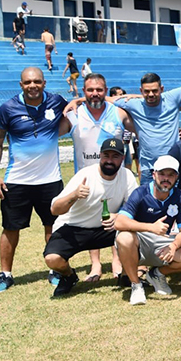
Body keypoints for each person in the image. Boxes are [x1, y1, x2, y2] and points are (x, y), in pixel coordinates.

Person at [0, 67, 69, 293]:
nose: (32, 86)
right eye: (27, 82)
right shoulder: (7, 108)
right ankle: (5, 274)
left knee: (52, 226)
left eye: (36, 82)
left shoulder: (56, 101)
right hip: (17, 181)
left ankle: (56, 269)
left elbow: (76, 107)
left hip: (50, 180)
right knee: (10, 228)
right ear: (21, 84)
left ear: (44, 83)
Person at [62, 73, 135, 282]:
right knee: (90, 219)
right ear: (83, 92)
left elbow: (141, 127)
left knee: (117, 216)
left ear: (106, 90)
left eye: (99, 89)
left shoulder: (119, 113)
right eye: (90, 90)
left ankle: (117, 260)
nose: (95, 93)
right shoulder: (74, 114)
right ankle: (95, 264)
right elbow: (50, 133)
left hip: (114, 178)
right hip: (86, 180)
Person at [43, 138, 138, 296]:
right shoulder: (85, 175)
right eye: (106, 155)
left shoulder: (126, 176)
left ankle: (127, 276)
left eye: (115, 156)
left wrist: (119, 216)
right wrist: (74, 195)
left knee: (132, 234)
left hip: (105, 228)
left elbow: (136, 209)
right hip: (74, 228)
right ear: (99, 155)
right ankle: (69, 277)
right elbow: (55, 209)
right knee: (52, 259)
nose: (109, 160)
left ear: (122, 158)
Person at [114, 155, 181, 305]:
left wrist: (173, 246)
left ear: (176, 177)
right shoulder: (140, 193)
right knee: (123, 238)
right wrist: (150, 227)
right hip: (139, 242)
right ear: (154, 174)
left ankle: (156, 274)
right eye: (162, 174)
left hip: (163, 243)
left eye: (171, 175)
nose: (166, 178)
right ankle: (136, 285)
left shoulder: (180, 196)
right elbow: (119, 222)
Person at [117, 72, 181, 185]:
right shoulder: (133, 104)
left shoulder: (172, 97)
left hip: (172, 167)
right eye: (146, 91)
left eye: (155, 90)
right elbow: (106, 100)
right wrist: (87, 98)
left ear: (161, 89)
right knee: (148, 202)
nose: (151, 94)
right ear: (141, 90)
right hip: (148, 170)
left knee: (175, 202)